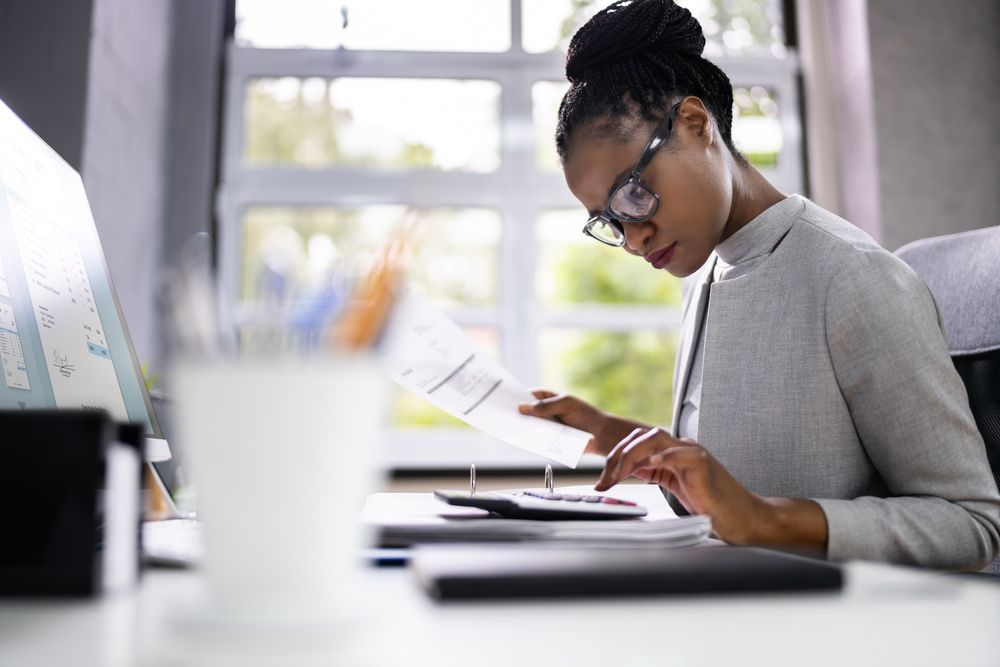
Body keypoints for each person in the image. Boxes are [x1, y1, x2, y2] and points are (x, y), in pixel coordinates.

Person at [518, 0, 1000, 570]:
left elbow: (972, 524)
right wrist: (607, 431)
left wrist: (763, 519)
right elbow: (730, 477)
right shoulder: (708, 272)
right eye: (611, 219)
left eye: (632, 194)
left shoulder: (853, 277)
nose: (632, 238)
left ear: (696, 125)